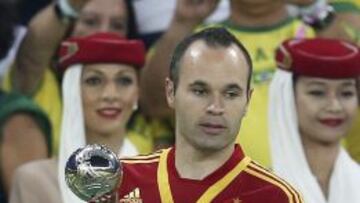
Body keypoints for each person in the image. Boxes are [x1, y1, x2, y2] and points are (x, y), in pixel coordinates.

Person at [90, 27, 303, 203]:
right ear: (171, 92)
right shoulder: (119, 182)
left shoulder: (277, 197)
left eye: (231, 94)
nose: (215, 107)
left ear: (247, 100)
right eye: (200, 91)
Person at [140, 0, 315, 166]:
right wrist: (183, 22)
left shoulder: (313, 39)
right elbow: (154, 105)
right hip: (214, 188)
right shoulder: (194, 40)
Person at [9, 33, 146, 203]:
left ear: (137, 93)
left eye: (124, 81)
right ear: (71, 91)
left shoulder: (159, 178)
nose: (110, 95)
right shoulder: (35, 181)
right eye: (94, 81)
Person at [1, 0, 149, 155]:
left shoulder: (139, 100)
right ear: (67, 26)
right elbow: (32, 54)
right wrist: (68, 6)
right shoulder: (45, 84)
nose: (104, 32)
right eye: (90, 21)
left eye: (117, 25)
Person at [269, 38, 360, 203]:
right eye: (317, 93)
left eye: (346, 93)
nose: (335, 106)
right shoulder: (256, 192)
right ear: (287, 97)